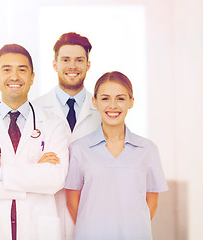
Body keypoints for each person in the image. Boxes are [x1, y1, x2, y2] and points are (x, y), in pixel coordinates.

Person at [0, 44, 69, 240]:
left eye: (22, 70)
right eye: (7, 69)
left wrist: (1, 171)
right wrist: (34, 176)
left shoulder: (54, 125)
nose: (14, 76)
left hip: (38, 229)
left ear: (32, 77)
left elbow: (55, 179)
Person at [65, 71, 168, 240]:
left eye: (120, 98)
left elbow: (152, 202)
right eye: (105, 98)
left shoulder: (148, 149)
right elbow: (71, 202)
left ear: (131, 102)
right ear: (95, 102)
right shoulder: (79, 149)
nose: (112, 105)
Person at [33, 32, 101, 240]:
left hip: (91, 206)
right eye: (65, 60)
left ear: (88, 65)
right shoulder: (34, 110)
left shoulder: (102, 110)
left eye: (79, 60)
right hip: (46, 208)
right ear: (55, 64)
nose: (72, 66)